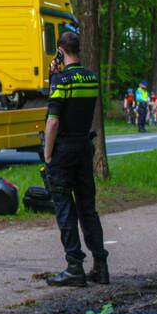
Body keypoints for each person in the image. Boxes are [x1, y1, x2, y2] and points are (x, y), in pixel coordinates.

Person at [43, 32, 108, 287]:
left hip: (64, 150)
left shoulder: (61, 81)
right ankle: (101, 266)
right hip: (83, 147)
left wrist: (48, 154)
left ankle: (74, 267)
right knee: (87, 208)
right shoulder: (91, 78)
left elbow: (53, 120)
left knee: (64, 207)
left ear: (60, 50)